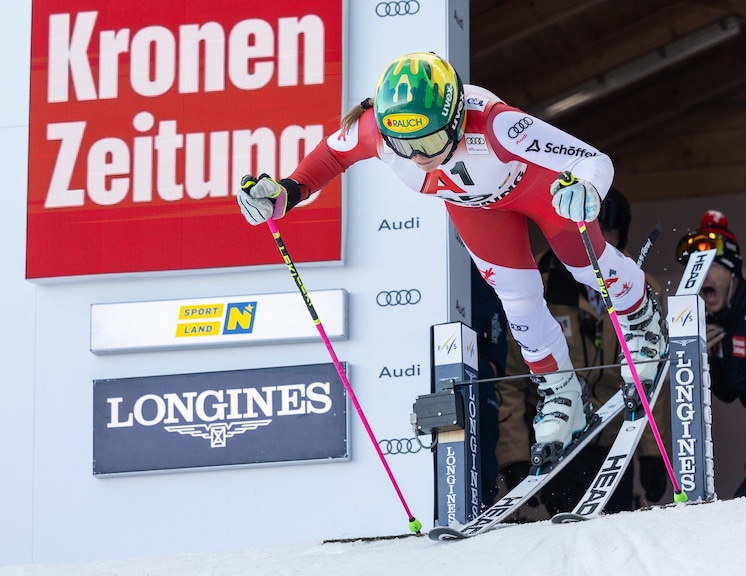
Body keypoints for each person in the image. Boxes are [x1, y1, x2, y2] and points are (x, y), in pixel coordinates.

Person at [236, 51, 666, 460]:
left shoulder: (497, 125)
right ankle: (559, 389)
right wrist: (286, 192)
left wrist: (586, 189)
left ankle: (640, 318)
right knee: (517, 298)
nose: (419, 156)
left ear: (457, 121)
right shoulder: (376, 129)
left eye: (432, 139)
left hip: (539, 189)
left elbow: (594, 160)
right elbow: (331, 155)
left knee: (584, 265)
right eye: (405, 145)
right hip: (475, 208)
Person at [495, 190, 669, 515]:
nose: (596, 238)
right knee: (570, 529)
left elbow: (652, 378)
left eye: (607, 229)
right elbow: (511, 380)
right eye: (590, 227)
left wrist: (651, 452)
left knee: (612, 529)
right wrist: (514, 455)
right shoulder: (538, 286)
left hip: (616, 438)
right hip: (563, 436)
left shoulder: (641, 288)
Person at [676, 211, 746, 497]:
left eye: (711, 267)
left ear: (732, 270)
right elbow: (728, 393)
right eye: (696, 270)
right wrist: (703, 359)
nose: (701, 278)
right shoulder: (716, 323)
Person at [470, 263, 508, 509]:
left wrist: (492, 364)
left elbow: (496, 311)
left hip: (478, 369)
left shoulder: (481, 263)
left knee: (482, 448)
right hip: (430, 365)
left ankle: (484, 504)